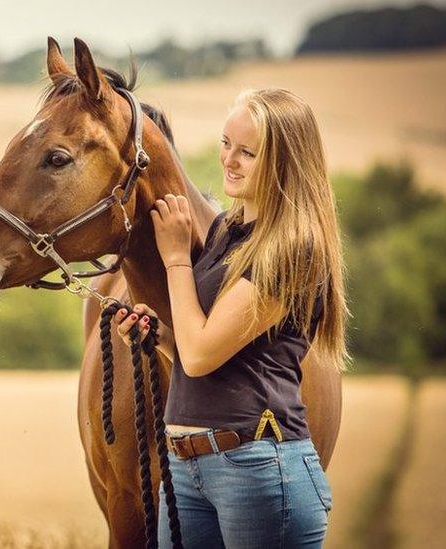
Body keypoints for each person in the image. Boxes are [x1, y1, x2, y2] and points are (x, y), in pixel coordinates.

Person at [114, 87, 351, 548]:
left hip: (259, 469)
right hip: (186, 469)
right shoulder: (227, 229)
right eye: (226, 144)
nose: (229, 160)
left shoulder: (292, 249)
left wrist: (177, 259)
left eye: (248, 152)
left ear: (284, 162)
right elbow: (203, 347)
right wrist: (156, 335)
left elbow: (200, 356)